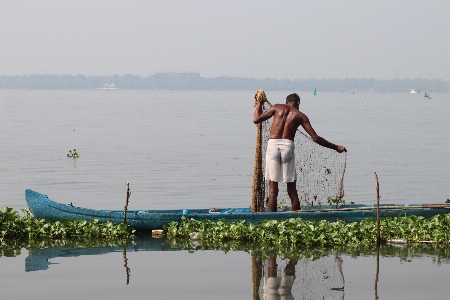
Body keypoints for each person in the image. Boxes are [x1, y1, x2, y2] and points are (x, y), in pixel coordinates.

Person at [253, 92, 346, 212]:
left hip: (273, 146)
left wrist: (259, 103)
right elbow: (316, 138)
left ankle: (272, 220)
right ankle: (297, 218)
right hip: (287, 147)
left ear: (286, 102)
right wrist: (336, 147)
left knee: (272, 190)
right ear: (298, 103)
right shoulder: (300, 115)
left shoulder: (276, 107)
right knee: (292, 190)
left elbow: (256, 119)